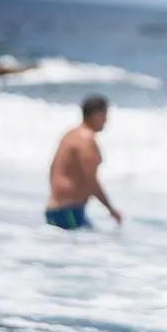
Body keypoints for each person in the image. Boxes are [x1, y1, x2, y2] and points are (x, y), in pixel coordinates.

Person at [45, 94, 123, 230]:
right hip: (68, 210)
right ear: (96, 114)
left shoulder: (70, 134)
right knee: (90, 248)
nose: (106, 120)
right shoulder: (86, 140)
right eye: (105, 115)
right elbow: (91, 180)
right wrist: (110, 209)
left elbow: (54, 170)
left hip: (59, 209)